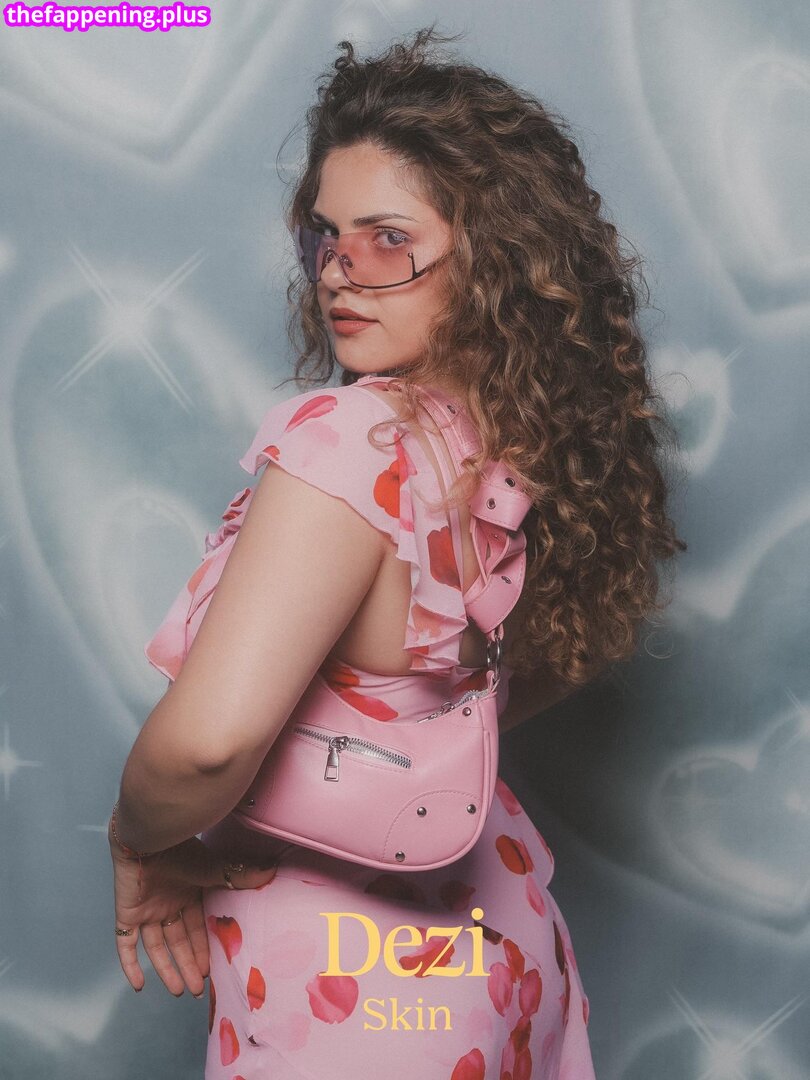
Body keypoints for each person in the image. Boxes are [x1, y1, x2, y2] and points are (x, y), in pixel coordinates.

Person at [108, 25, 686, 1079]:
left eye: (387, 240)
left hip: (358, 989)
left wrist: (136, 840)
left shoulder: (351, 439)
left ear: (493, 257)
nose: (341, 272)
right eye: (325, 239)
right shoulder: (524, 445)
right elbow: (570, 648)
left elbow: (205, 748)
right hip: (502, 945)